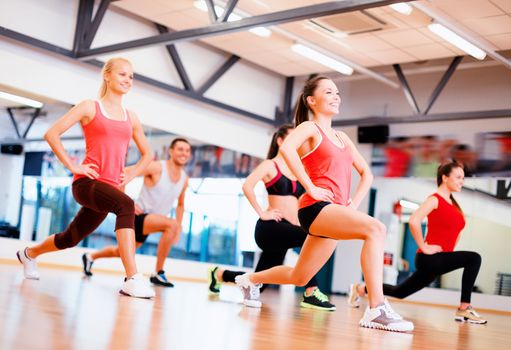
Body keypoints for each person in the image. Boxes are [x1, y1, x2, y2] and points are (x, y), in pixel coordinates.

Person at [233, 76, 414, 332]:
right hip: (314, 208)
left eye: (337, 92)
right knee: (376, 229)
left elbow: (367, 174)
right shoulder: (310, 128)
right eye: (329, 92)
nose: (336, 96)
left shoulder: (342, 138)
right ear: (312, 100)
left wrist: (352, 204)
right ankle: (377, 308)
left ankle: (250, 279)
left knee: (300, 276)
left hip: (332, 211)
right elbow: (287, 150)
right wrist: (311, 187)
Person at [16, 57, 155, 298]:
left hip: (110, 189)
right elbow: (52, 134)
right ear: (107, 75)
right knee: (126, 205)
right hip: (87, 183)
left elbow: (149, 154)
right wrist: (73, 165)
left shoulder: (131, 117)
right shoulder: (90, 107)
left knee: (71, 238)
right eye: (122, 74)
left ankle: (29, 254)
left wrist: (131, 172)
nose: (127, 80)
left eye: (131, 76)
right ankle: (132, 278)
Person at [208, 124, 335, 311]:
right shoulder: (270, 165)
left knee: (260, 280)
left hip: (287, 230)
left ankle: (219, 274)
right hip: (270, 227)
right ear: (281, 141)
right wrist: (262, 212)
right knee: (310, 237)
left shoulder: (298, 172)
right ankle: (311, 291)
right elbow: (247, 186)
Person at [349, 162, 487, 324]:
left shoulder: (455, 206)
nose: (461, 181)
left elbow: (455, 233)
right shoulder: (434, 200)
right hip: (429, 258)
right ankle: (464, 308)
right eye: (458, 177)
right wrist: (424, 246)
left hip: (440, 258)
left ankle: (359, 289)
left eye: (463, 178)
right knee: (474, 258)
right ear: (444, 177)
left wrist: (450, 254)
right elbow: (414, 220)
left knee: (400, 292)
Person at [82, 138, 191, 287]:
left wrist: (179, 227)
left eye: (187, 150)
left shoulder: (184, 179)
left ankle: (90, 256)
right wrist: (127, 202)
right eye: (180, 149)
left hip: (152, 220)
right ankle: (158, 273)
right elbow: (125, 172)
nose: (184, 153)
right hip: (138, 216)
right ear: (171, 151)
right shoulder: (157, 168)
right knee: (171, 225)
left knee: (119, 252)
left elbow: (181, 204)